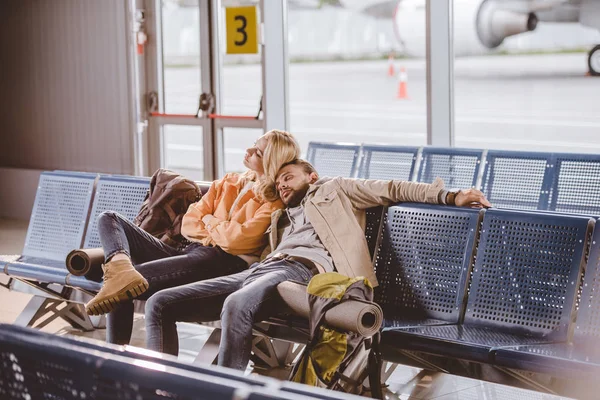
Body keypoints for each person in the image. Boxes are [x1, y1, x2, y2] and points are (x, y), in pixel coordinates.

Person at [144, 159, 492, 368]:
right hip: (262, 271)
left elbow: (391, 188)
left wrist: (450, 195)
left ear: (311, 176)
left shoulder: (335, 188)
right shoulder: (280, 217)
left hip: (301, 273)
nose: (281, 185)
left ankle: (223, 390)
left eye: (288, 177)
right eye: (278, 182)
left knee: (236, 303)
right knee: (160, 303)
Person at [84, 130, 301, 346]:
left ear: (271, 162)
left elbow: (236, 241)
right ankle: (119, 265)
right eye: (253, 144)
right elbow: (189, 223)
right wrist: (220, 229)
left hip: (223, 263)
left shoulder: (273, 201)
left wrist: (208, 221)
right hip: (191, 251)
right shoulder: (228, 182)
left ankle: (114, 353)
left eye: (258, 152)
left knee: (120, 286)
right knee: (110, 218)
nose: (248, 151)